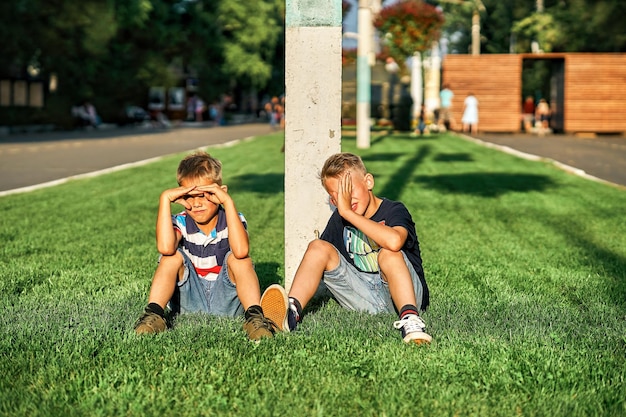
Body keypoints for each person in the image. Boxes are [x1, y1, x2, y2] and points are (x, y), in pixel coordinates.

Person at [260, 153, 432, 345]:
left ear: (368, 182)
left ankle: (411, 321)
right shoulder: (339, 220)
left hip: (408, 295)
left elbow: (394, 242)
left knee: (388, 254)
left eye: (348, 189)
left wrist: (348, 214)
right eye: (336, 197)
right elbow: (320, 261)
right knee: (318, 247)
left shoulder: (394, 210)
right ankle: (291, 313)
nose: (345, 200)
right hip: (365, 298)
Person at [133, 151, 276, 341]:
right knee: (171, 257)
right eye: (190, 196)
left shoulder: (233, 219)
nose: (197, 203)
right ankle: (154, 315)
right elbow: (166, 248)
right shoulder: (180, 222)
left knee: (239, 259)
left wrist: (227, 202)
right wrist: (165, 199)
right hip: (189, 300)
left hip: (226, 300)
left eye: (205, 195)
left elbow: (241, 251)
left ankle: (254, 317)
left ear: (220, 192)